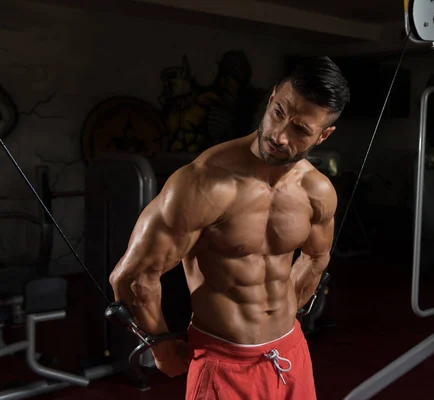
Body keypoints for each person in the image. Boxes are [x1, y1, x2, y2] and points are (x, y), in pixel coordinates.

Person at [109, 56, 350, 399]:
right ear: (271, 99)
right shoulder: (204, 183)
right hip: (223, 363)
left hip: (290, 353)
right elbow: (134, 276)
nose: (280, 136)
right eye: (279, 113)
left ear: (323, 135)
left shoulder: (317, 191)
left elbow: (316, 257)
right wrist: (161, 348)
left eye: (300, 129)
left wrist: (280, 314)